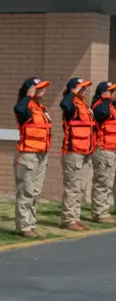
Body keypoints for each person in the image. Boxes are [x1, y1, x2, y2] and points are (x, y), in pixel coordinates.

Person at [14, 77, 52, 237]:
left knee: (35, 191)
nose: (44, 90)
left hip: (41, 154)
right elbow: (18, 109)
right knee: (26, 191)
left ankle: (31, 223)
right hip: (28, 154)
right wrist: (28, 96)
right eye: (40, 88)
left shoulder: (40, 107)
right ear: (31, 90)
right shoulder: (25, 106)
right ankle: (24, 226)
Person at [59, 77, 95, 231]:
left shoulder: (83, 105)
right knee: (72, 187)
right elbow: (64, 104)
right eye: (82, 88)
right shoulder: (71, 104)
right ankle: (68, 219)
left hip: (85, 151)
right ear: (74, 89)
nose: (85, 90)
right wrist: (71, 93)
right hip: (73, 151)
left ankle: (75, 217)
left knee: (80, 187)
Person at [90, 81, 116, 223]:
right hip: (103, 150)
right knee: (102, 182)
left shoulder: (111, 106)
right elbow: (102, 114)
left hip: (111, 150)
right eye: (111, 91)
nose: (114, 94)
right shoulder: (100, 106)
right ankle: (99, 213)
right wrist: (106, 98)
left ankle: (104, 210)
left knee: (108, 182)